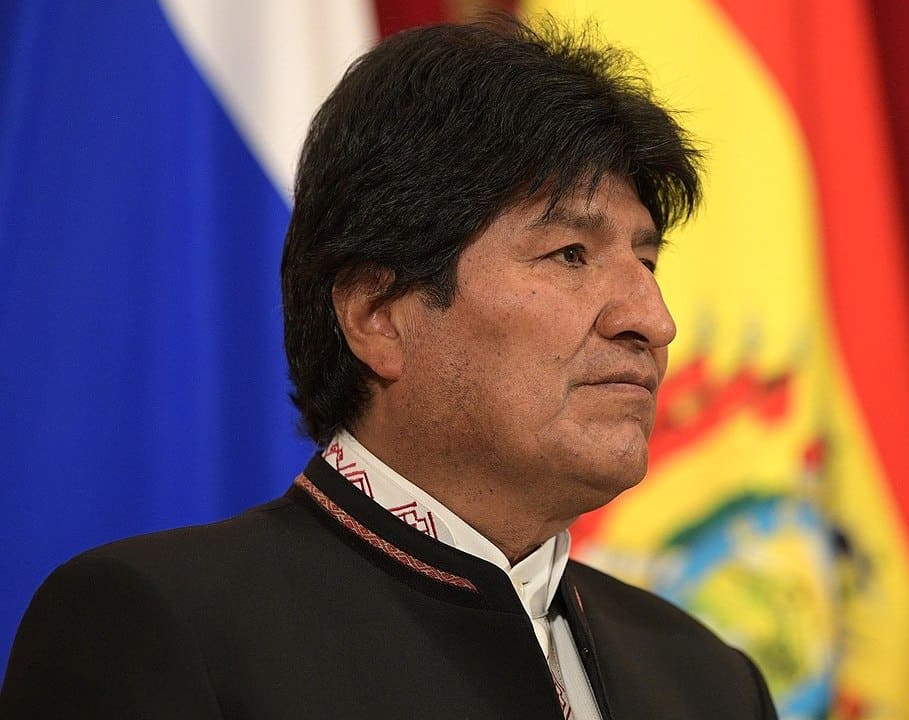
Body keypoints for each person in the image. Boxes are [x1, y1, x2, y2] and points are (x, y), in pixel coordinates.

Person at [0, 15, 777, 720]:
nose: (653, 320)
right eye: (570, 254)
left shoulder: (709, 682)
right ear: (377, 315)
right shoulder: (159, 627)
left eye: (647, 261)